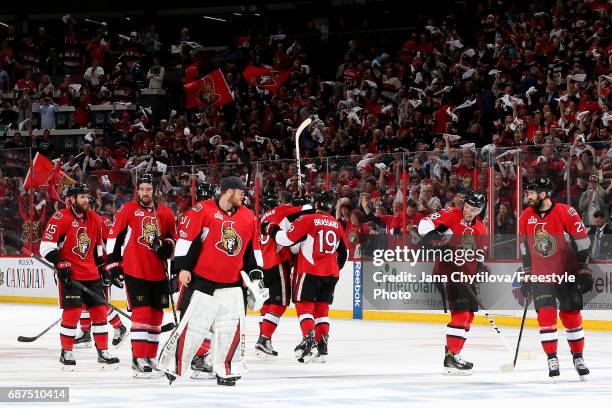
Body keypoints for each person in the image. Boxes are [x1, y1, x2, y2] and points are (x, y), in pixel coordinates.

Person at [164, 176, 263, 386]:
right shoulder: (203, 210)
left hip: (233, 283)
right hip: (203, 281)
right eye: (240, 191)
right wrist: (183, 267)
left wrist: (256, 273)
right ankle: (175, 365)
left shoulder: (249, 217)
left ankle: (226, 370)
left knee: (231, 328)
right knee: (193, 326)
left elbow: (252, 249)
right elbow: (187, 239)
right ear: (228, 192)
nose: (244, 195)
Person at [518, 177, 592, 380]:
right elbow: (525, 249)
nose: (528, 196)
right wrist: (526, 275)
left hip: (566, 273)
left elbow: (582, 241)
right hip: (541, 276)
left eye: (531, 193)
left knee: (571, 317)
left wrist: (583, 268)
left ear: (543, 194)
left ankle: (578, 357)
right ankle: (552, 358)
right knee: (546, 318)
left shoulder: (565, 212)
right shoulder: (526, 216)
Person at [39, 183, 119, 370]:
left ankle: (103, 352)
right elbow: (46, 247)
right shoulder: (60, 217)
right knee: (73, 312)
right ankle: (66, 352)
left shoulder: (95, 218)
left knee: (100, 312)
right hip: (71, 275)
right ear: (72, 199)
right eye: (81, 197)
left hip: (91, 274)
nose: (85, 200)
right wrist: (60, 262)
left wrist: (104, 269)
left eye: (86, 196)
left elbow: (98, 249)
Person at [262, 191, 348, 363]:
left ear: (317, 204)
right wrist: (333, 268)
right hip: (331, 273)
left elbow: (286, 240)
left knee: (304, 307)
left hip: (310, 271)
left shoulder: (307, 219)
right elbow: (344, 253)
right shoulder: (336, 224)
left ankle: (309, 340)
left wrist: (271, 229)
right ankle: (322, 347)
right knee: (322, 310)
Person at [106, 173, 177, 378]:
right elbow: (114, 237)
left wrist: (167, 247)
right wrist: (114, 265)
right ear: (138, 190)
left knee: (156, 315)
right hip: (135, 270)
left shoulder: (164, 212)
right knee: (142, 313)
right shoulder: (128, 209)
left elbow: (173, 237)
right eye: (142, 189)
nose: (145, 193)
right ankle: (138, 359)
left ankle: (150, 357)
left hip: (159, 272)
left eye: (149, 189)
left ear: (155, 191)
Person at [417, 190, 487, 375]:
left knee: (469, 316)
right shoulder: (452, 215)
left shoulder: (480, 228)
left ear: (479, 210)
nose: (468, 211)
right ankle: (451, 357)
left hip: (467, 276)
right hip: (450, 273)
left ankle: (453, 355)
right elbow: (424, 225)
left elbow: (475, 252)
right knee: (461, 315)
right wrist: (440, 244)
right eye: (467, 207)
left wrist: (479, 265)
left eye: (473, 209)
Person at [256, 191, 313, 358]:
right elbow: (307, 209)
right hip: (277, 262)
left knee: (266, 304)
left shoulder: (262, 216)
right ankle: (264, 339)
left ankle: (264, 340)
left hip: (262, 264)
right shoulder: (281, 211)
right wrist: (306, 205)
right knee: (279, 304)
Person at [74, 195, 127, 349]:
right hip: (85, 268)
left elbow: (113, 244)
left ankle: (119, 327)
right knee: (84, 301)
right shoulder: (80, 222)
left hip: (100, 269)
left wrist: (112, 267)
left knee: (99, 302)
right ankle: (85, 333)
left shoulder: (101, 221)